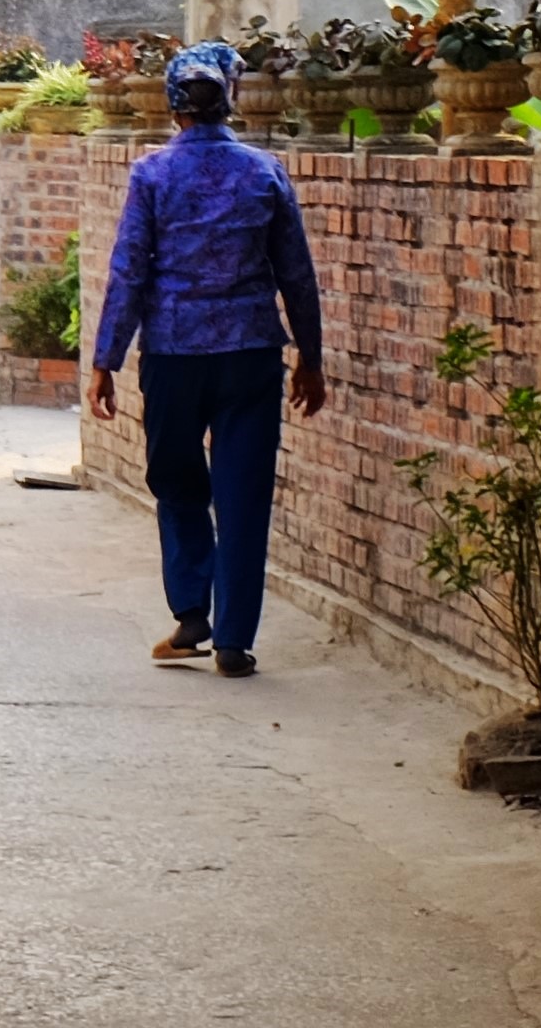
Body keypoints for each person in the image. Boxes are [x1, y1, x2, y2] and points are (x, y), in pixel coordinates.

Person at [87, 39, 327, 679]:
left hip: (174, 353)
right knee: (244, 494)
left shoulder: (153, 175)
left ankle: (193, 612)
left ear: (175, 110)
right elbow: (296, 275)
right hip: (251, 352)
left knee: (178, 481)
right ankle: (233, 641)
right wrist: (311, 355)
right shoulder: (264, 172)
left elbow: (129, 271)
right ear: (231, 102)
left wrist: (105, 359)